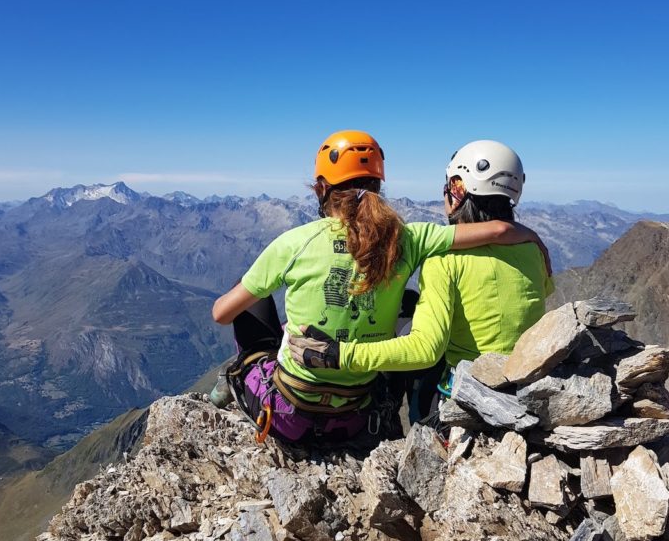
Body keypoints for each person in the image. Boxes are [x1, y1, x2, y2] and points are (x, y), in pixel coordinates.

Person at [212, 131, 551, 445]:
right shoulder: (412, 238)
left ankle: (226, 389)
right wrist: (531, 237)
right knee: (407, 302)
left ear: (320, 188)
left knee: (246, 298)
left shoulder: (293, 243)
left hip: (290, 416)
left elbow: (220, 314)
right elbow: (497, 233)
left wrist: (330, 349)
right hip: (359, 415)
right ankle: (390, 419)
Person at [289, 140, 553, 416]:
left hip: (474, 392)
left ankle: (392, 411)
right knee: (411, 305)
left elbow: (425, 349)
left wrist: (338, 354)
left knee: (410, 335)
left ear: (457, 190)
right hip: (528, 383)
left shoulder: (444, 260)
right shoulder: (533, 250)